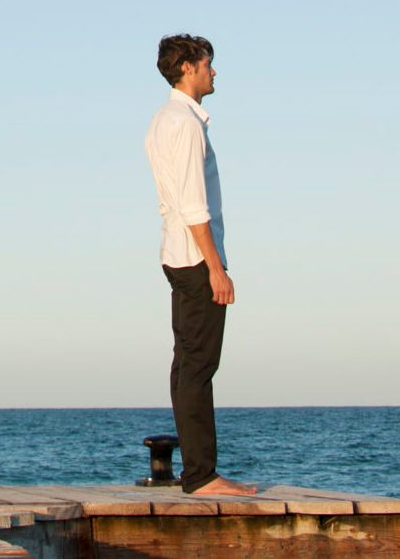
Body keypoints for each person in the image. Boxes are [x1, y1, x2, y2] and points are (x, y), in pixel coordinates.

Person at [143, 34, 256, 496]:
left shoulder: (162, 120)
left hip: (177, 254)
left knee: (187, 364)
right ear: (188, 67)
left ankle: (198, 472)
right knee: (198, 366)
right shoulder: (184, 123)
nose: (214, 72)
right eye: (208, 64)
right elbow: (194, 204)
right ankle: (202, 475)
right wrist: (216, 268)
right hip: (194, 258)